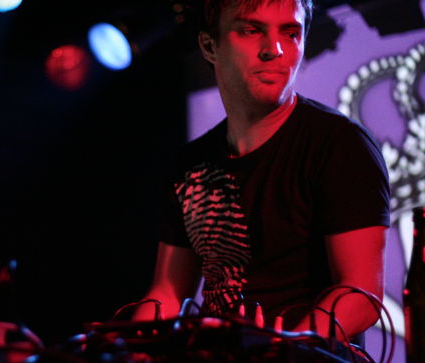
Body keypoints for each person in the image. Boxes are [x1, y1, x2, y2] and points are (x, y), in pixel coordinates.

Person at [133, 0, 390, 343]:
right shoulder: (191, 163)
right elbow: (167, 293)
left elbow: (360, 294)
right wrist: (125, 347)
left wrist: (283, 350)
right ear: (209, 46)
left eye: (290, 33)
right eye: (252, 30)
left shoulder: (340, 144)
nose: (275, 50)